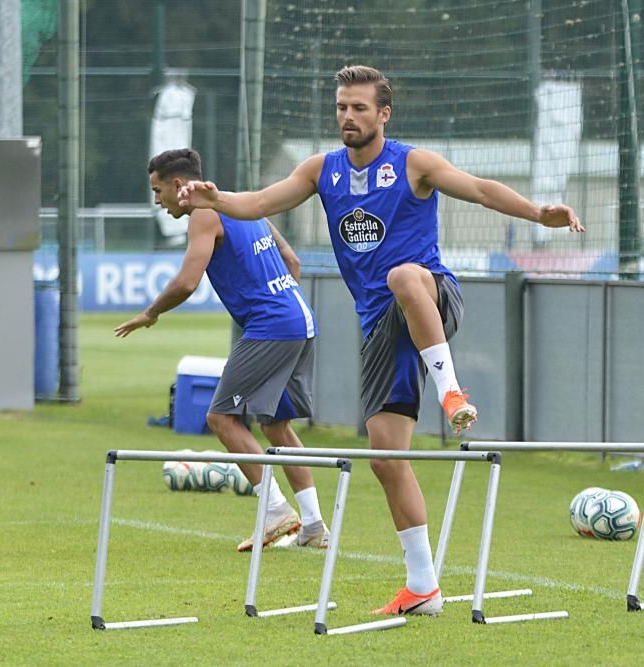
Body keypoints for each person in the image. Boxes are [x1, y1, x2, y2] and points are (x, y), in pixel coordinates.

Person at [177, 65, 584, 616]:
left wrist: (539, 212)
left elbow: (481, 189)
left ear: (383, 114)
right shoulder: (322, 170)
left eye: (359, 108)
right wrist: (214, 197)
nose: (348, 116)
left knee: (402, 276)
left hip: (431, 296)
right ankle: (424, 588)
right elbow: (259, 204)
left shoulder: (413, 163)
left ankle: (452, 393)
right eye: (342, 107)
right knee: (385, 457)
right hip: (379, 328)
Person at [115, 148, 329, 552]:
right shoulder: (241, 202)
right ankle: (314, 525)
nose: (157, 201)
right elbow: (292, 260)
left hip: (273, 325)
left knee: (221, 418)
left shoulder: (204, 214)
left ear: (180, 186)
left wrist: (151, 313)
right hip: (301, 317)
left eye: (158, 191)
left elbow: (186, 282)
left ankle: (276, 511)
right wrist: (281, 302)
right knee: (277, 425)